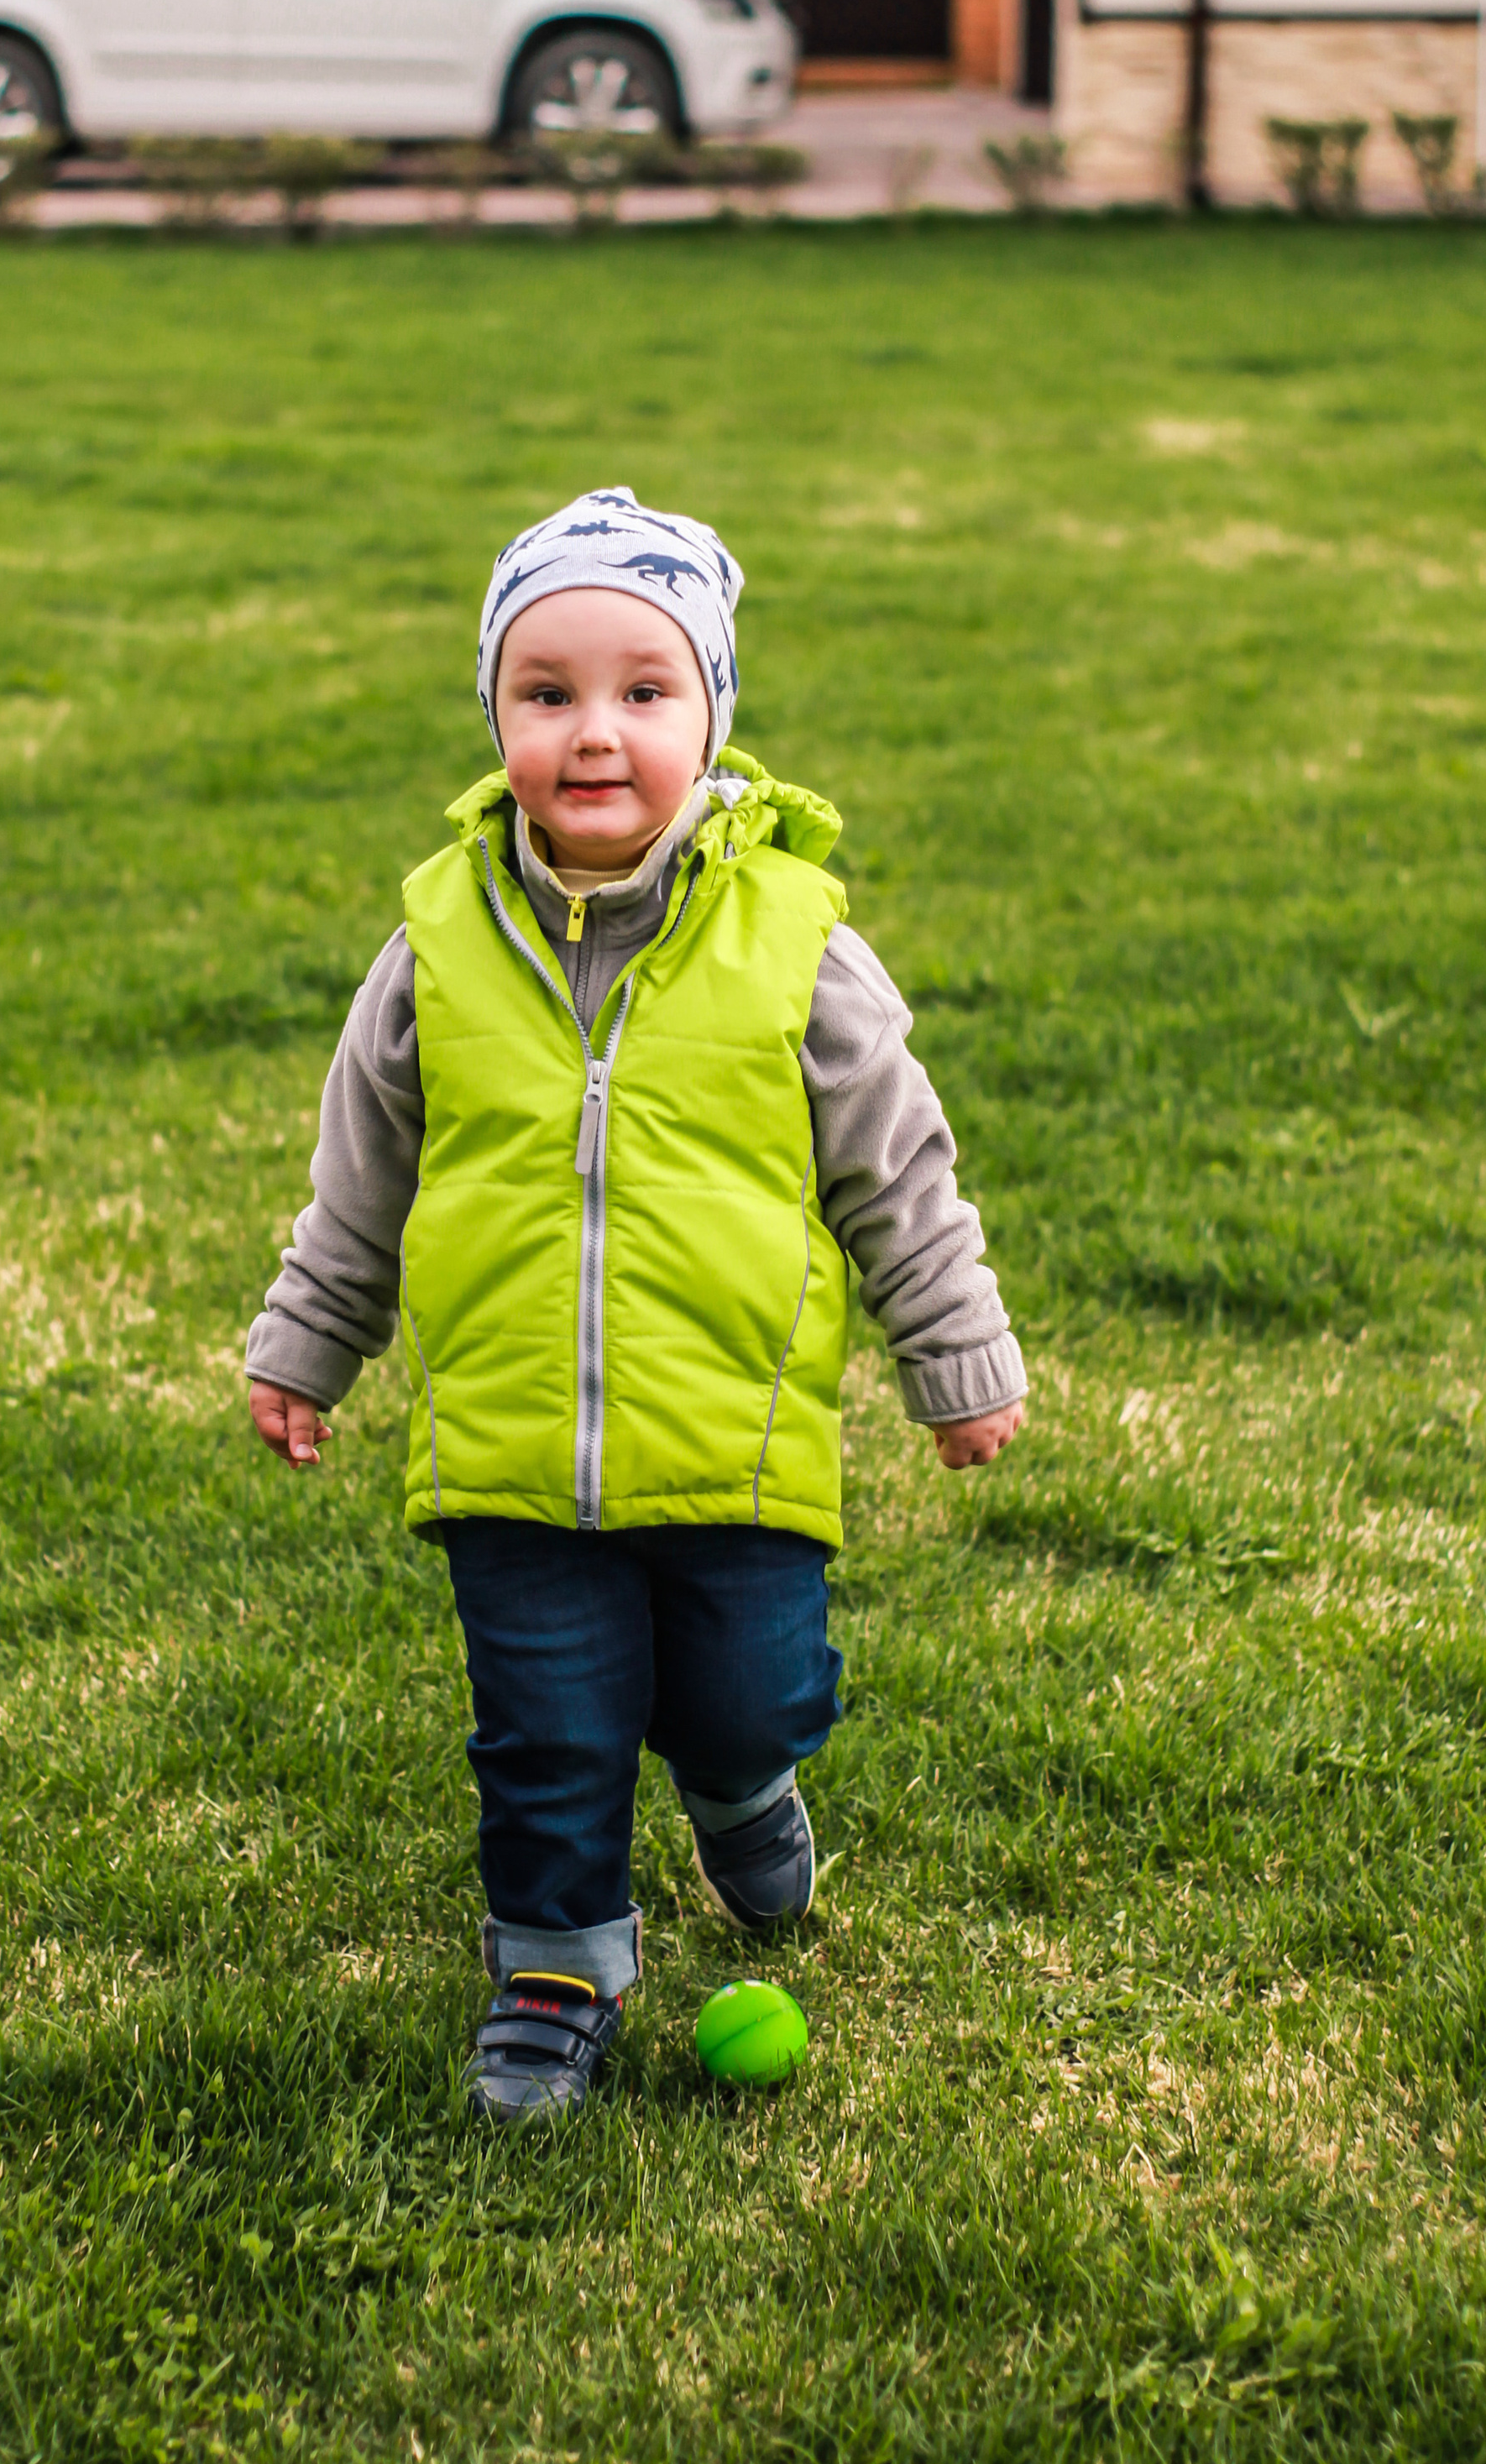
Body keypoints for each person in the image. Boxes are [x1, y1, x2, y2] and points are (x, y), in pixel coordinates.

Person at [245, 489, 1027, 2120]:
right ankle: (554, 1967)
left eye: (641, 691)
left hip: (733, 1436)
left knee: (751, 1690)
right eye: (546, 693)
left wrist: (952, 1359)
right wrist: (308, 1344)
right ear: (496, 716)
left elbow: (900, 1172)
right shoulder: (436, 944)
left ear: (710, 714)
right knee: (545, 1733)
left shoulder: (794, 942)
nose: (592, 734)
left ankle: (743, 1790)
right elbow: (362, 1177)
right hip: (512, 1444)